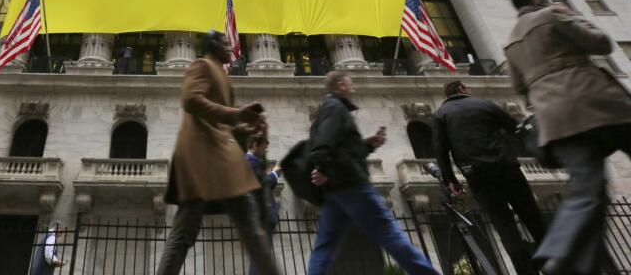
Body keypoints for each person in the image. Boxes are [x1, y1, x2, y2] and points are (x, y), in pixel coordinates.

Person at [501, 0, 631, 275]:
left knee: (586, 191)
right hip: (597, 102)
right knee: (589, 190)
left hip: (555, 120)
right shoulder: (553, 15)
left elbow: (519, 88)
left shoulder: (511, 43)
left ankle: (560, 257)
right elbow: (601, 44)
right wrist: (571, 15)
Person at [156, 30, 280, 275]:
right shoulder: (201, 66)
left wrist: (249, 128)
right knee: (186, 233)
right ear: (213, 46)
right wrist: (237, 114)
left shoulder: (223, 77)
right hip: (201, 158)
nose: (231, 46)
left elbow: (226, 125)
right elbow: (191, 100)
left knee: (248, 225)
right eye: (225, 42)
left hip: (220, 158)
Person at [308, 72, 440, 275]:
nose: (353, 86)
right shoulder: (335, 108)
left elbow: (344, 150)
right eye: (349, 82)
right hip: (352, 185)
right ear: (340, 85)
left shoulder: (333, 109)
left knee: (324, 247)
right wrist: (323, 169)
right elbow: (324, 143)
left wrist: (369, 145)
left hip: (336, 189)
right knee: (389, 233)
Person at [432, 79, 545, 275]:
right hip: (507, 168)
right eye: (468, 87)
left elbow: (441, 151)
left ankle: (525, 271)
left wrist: (451, 180)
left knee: (504, 225)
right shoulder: (484, 104)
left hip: (477, 175)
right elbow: (515, 129)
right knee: (533, 217)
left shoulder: (441, 115)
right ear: (462, 89)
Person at [245, 134, 281, 275]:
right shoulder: (249, 161)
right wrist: (275, 174)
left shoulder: (252, 162)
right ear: (254, 144)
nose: (265, 151)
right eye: (263, 148)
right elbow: (263, 184)